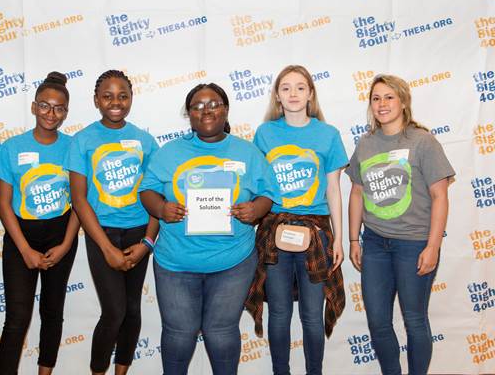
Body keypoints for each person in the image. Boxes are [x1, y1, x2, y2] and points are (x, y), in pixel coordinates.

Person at [139, 83, 274, 375]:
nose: (206, 110)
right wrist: (161, 209)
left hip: (232, 262)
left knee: (221, 332)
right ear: (189, 114)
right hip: (176, 263)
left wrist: (255, 210)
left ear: (225, 109)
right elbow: (147, 191)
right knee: (178, 334)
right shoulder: (170, 152)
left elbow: (267, 194)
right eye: (197, 106)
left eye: (213, 103)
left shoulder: (247, 152)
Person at [346, 74, 454, 375]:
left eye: (389, 97)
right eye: (376, 98)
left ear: (403, 101)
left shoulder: (423, 142)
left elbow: (440, 196)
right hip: (375, 244)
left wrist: (433, 246)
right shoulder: (365, 143)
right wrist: (354, 240)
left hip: (414, 244)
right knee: (378, 322)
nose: (382, 104)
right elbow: (356, 192)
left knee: (415, 320)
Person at [245, 65, 346, 375]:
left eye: (300, 87)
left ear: (310, 94)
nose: (293, 94)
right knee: (278, 313)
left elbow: (333, 189)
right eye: (286, 88)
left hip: (316, 233)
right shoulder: (265, 133)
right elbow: (257, 186)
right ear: (277, 95)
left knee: (313, 315)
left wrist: (339, 239)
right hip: (274, 230)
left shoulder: (328, 134)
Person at [66, 70, 159, 375]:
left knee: (132, 310)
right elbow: (79, 199)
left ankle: (122, 371)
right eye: (107, 96)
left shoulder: (146, 142)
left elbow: (155, 196)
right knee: (114, 311)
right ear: (96, 100)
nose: (115, 102)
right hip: (100, 233)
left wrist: (147, 243)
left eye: (123, 95)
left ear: (131, 99)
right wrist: (105, 247)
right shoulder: (82, 140)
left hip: (137, 233)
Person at [0, 72, 80, 375]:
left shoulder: (74, 147)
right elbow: (3, 203)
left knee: (52, 311)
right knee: (17, 316)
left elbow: (80, 204)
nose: (51, 114)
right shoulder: (12, 147)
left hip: (61, 235)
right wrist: (25, 250)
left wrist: (66, 244)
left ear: (66, 112)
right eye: (44, 106)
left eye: (58, 108)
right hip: (21, 239)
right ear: (33, 107)